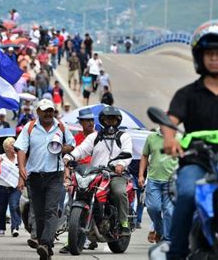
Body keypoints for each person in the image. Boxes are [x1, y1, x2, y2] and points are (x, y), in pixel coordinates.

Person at [161, 20, 218, 260]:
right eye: (209, 53)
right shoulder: (187, 94)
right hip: (197, 160)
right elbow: (168, 120)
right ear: (199, 57)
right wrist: (170, 139)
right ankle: (176, 252)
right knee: (187, 193)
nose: (215, 58)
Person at [14, 99, 75, 260]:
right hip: (34, 176)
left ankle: (46, 243)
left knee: (51, 210)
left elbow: (72, 144)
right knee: (39, 213)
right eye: (45, 111)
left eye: (50, 110)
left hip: (55, 175)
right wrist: (21, 167)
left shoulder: (61, 126)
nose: (48, 114)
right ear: (38, 112)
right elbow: (21, 148)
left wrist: (62, 148)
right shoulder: (30, 127)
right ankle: (45, 247)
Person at [64, 106, 133, 237]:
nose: (110, 123)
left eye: (113, 120)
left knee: (118, 191)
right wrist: (69, 157)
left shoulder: (124, 137)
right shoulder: (94, 137)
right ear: (102, 120)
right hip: (95, 174)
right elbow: (81, 149)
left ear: (118, 121)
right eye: (107, 120)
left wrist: (121, 164)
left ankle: (124, 223)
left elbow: (127, 153)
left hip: (115, 175)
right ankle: (72, 235)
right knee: (79, 192)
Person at [59, 108, 97, 254]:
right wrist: (67, 177)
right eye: (86, 120)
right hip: (79, 175)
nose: (90, 123)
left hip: (95, 175)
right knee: (71, 207)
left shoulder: (98, 137)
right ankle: (71, 242)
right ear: (80, 122)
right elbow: (68, 159)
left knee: (96, 204)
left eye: (92, 120)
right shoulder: (76, 140)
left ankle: (91, 238)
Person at [138, 129, 177, 243]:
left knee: (169, 211)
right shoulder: (151, 137)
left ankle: (166, 239)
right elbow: (145, 156)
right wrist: (141, 175)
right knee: (153, 208)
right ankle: (159, 231)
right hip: (153, 180)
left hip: (171, 181)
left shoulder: (179, 138)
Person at [0, 137, 21, 237]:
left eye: (15, 144)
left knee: (14, 206)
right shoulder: (0, 157)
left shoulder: (19, 157)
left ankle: (15, 227)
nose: (14, 146)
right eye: (12, 145)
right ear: (7, 147)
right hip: (1, 186)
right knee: (2, 208)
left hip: (15, 187)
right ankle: (1, 228)